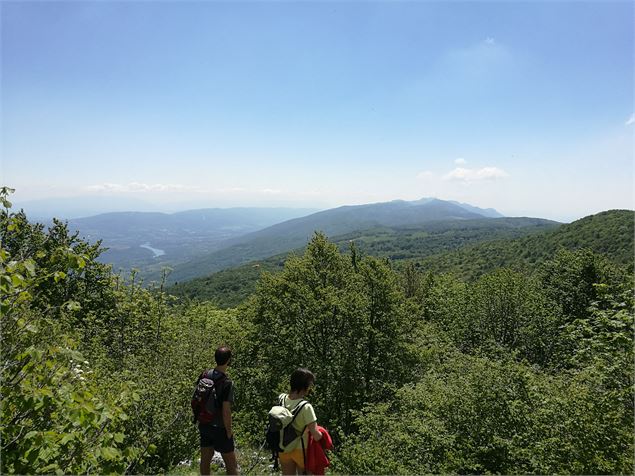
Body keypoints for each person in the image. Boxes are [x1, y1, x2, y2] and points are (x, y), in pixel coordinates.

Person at [198, 346, 238, 476]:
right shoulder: (226, 382)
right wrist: (229, 431)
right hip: (220, 427)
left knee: (205, 461)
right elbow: (226, 411)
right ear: (228, 360)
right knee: (231, 465)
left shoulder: (204, 375)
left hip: (204, 424)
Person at [278, 368, 322, 475]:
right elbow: (316, 435)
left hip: (283, 448)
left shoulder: (281, 399)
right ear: (304, 387)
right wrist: (324, 434)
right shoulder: (306, 407)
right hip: (301, 450)